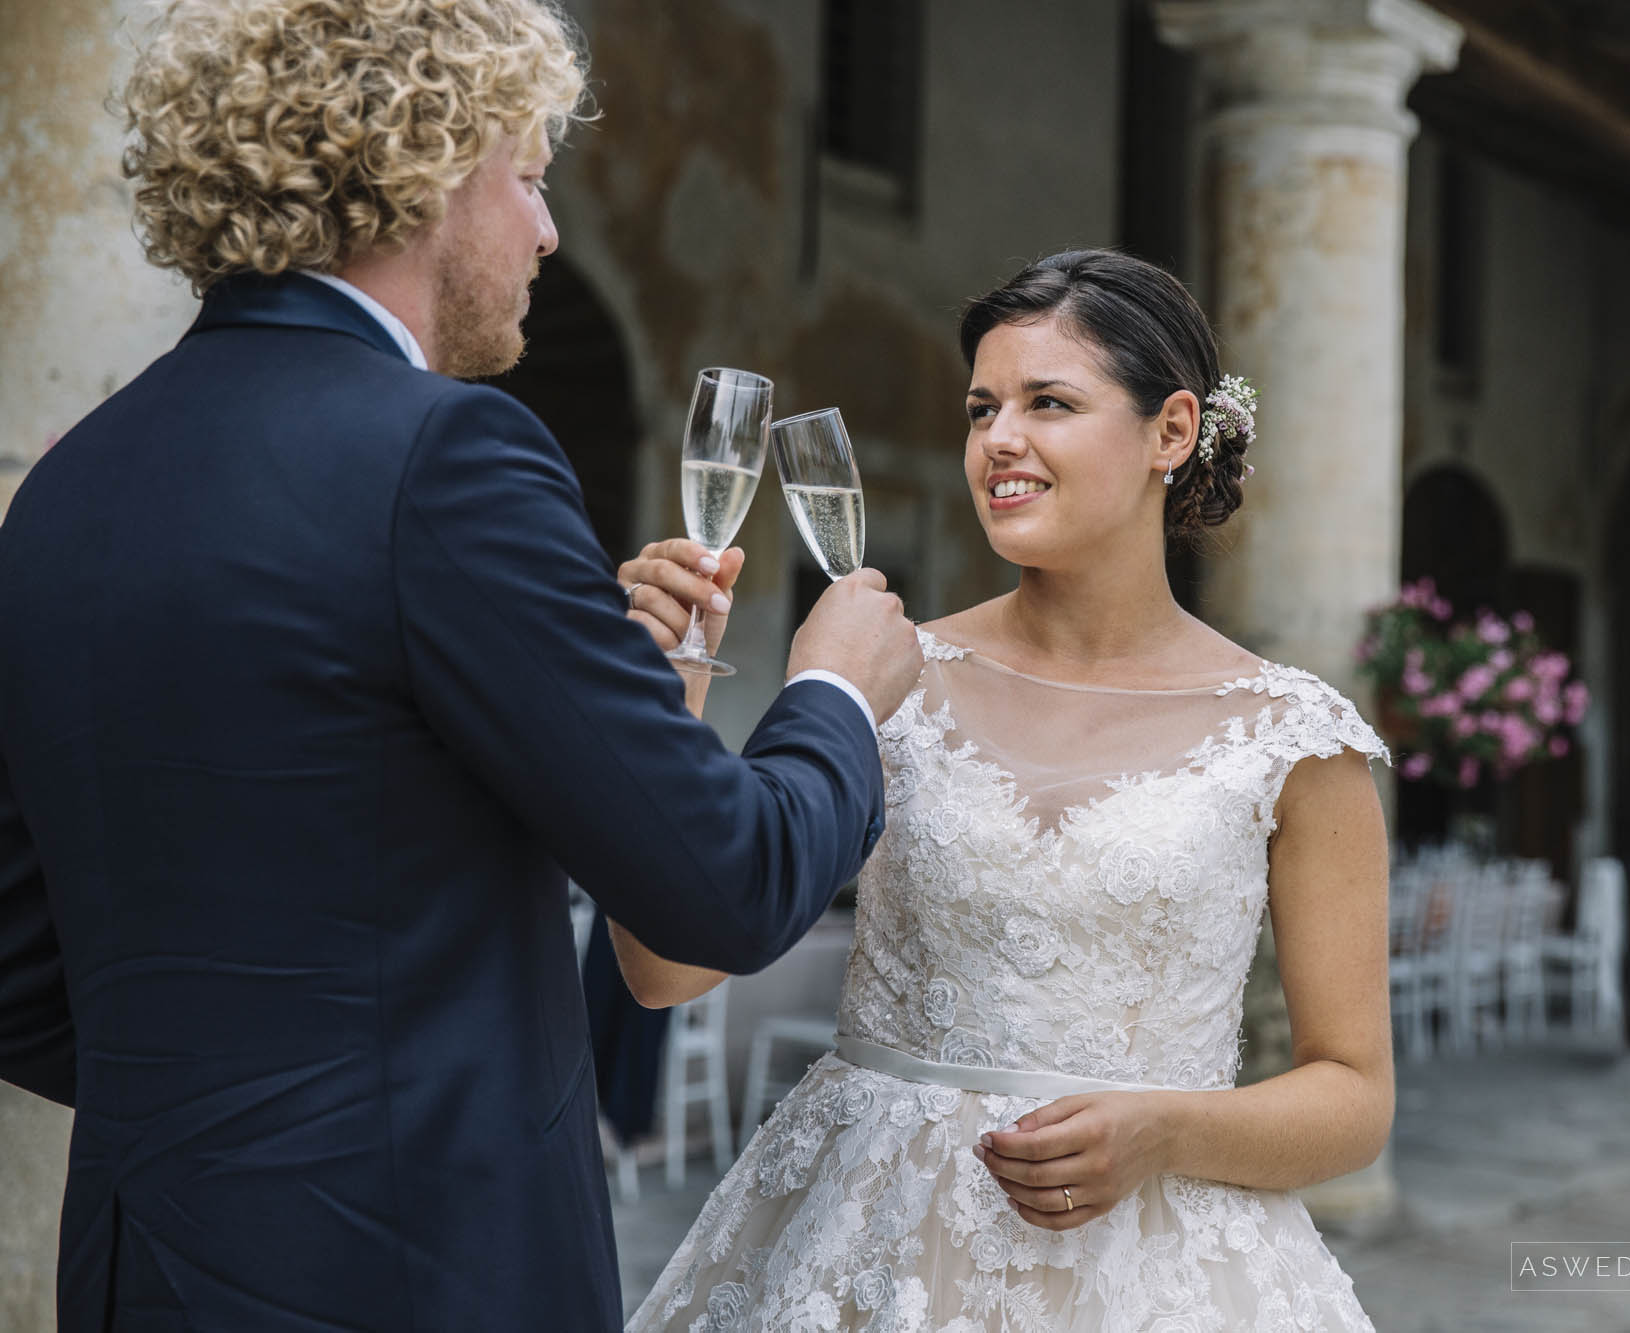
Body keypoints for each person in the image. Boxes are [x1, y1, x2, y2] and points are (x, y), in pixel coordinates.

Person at [0, 1, 920, 1329]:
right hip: (420, 1271)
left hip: (142, 1270)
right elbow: (724, 885)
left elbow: (22, 966)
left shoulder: (69, 488)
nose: (548, 230)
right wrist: (834, 692)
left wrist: (253, 1099)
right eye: (533, 178)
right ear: (426, 172)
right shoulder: (449, 455)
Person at [621, 249, 1394, 1331]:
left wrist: (1166, 1129)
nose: (998, 441)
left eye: (1049, 403)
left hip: (1155, 1278)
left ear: (1170, 432)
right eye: (982, 408)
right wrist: (668, 688)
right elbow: (665, 967)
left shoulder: (1291, 738)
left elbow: (1352, 1095)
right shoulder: (889, 679)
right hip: (863, 1258)